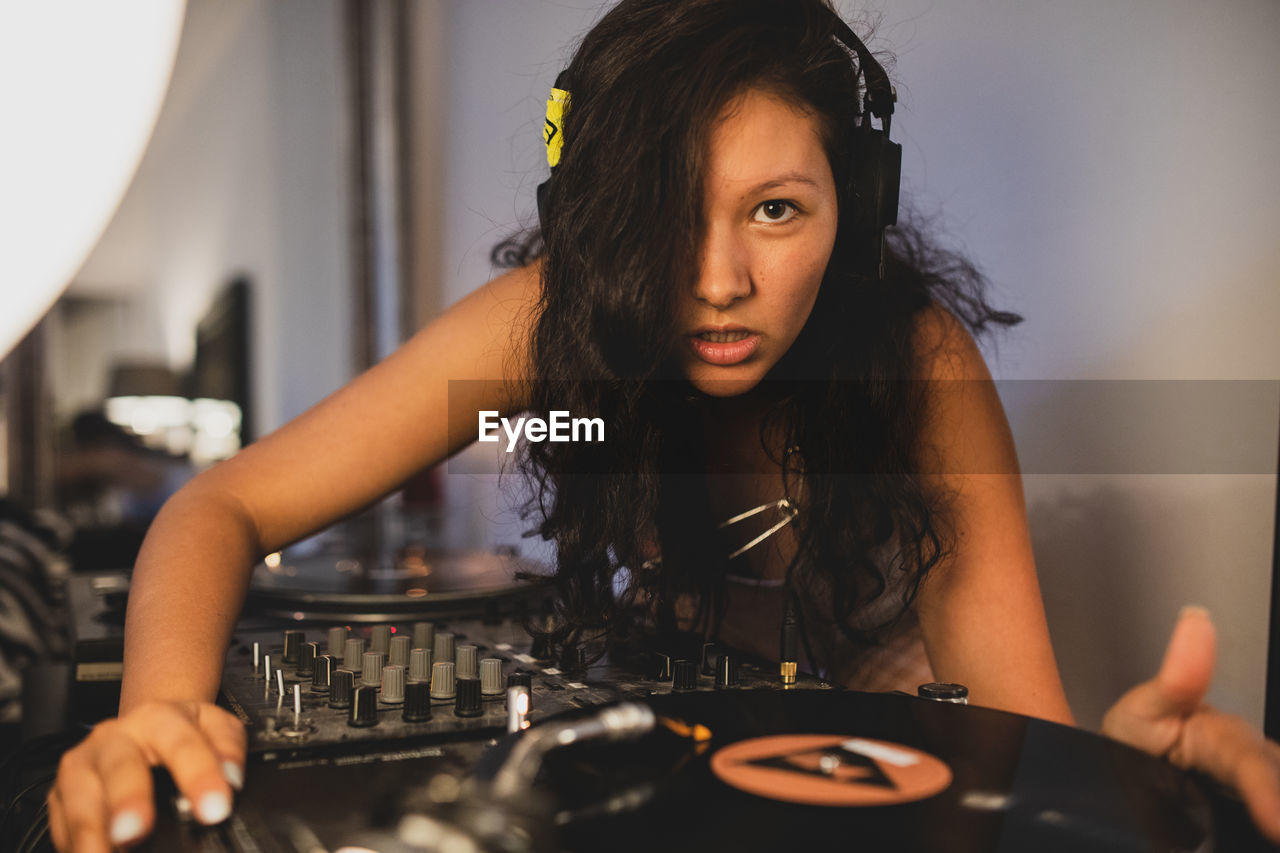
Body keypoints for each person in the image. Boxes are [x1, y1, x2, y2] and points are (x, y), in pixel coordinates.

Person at [47, 0, 1280, 850]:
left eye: (776, 211)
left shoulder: (913, 374)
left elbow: (1024, 735)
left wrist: (1126, 786)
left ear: (852, 206)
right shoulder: (540, 327)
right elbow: (224, 503)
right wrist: (155, 709)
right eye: (666, 213)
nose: (715, 279)